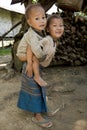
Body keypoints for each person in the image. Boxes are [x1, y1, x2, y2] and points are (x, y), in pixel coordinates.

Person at [17, 3, 64, 128]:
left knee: (40, 88)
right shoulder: (32, 35)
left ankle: (42, 109)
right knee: (35, 90)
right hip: (28, 63)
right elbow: (34, 52)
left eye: (43, 17)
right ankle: (37, 115)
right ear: (29, 22)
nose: (42, 21)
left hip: (32, 62)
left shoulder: (39, 32)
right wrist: (39, 59)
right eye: (37, 18)